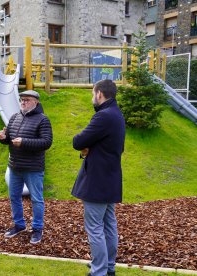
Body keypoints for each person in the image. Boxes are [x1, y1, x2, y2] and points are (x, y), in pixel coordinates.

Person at [71, 79, 125, 276]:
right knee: (109, 225)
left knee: (95, 228)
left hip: (97, 181)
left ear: (100, 94)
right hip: (110, 179)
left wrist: (86, 147)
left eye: (93, 93)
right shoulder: (117, 115)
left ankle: (99, 271)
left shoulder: (103, 116)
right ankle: (108, 268)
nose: (92, 97)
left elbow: (78, 141)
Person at [0, 90, 53, 244]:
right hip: (15, 166)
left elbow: (46, 142)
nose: (23, 102)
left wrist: (24, 142)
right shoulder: (14, 117)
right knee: (14, 197)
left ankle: (37, 229)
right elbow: (9, 139)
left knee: (37, 199)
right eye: (22, 100)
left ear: (36, 102)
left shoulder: (43, 120)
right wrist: (3, 138)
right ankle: (19, 225)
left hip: (33, 168)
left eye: (27, 100)